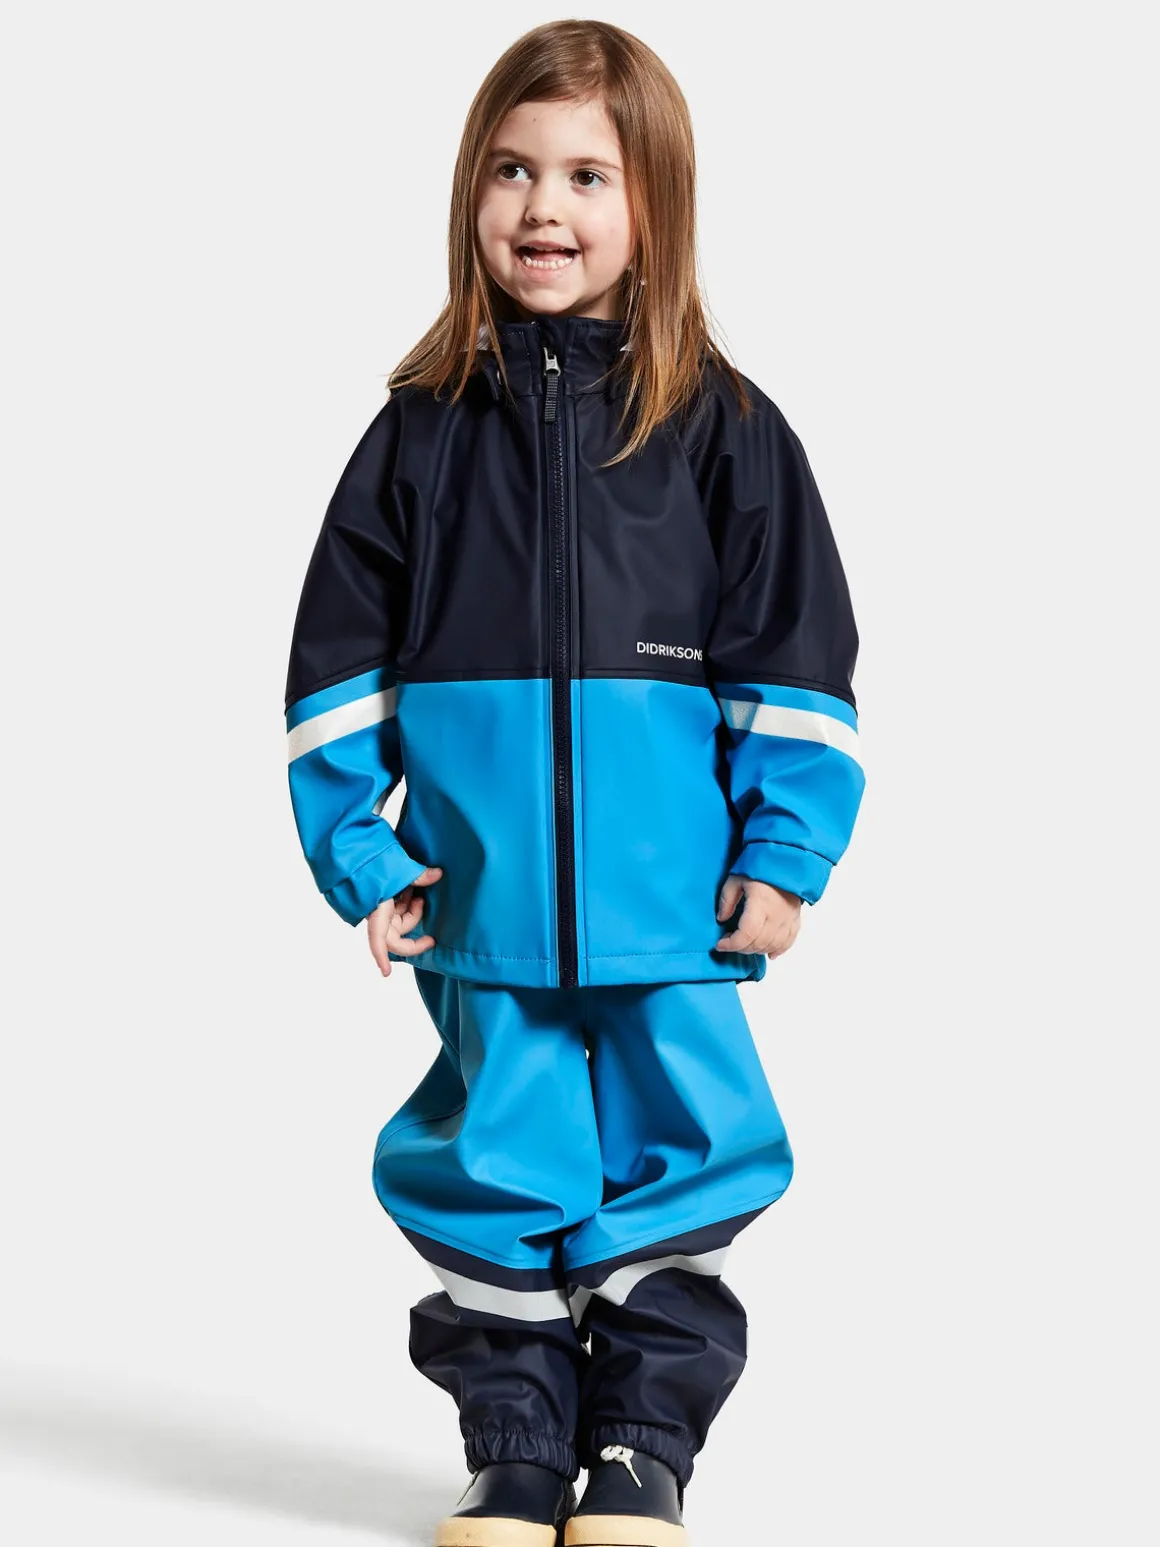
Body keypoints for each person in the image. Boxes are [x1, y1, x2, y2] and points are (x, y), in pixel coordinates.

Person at [283, 18, 866, 1547]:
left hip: (676, 912)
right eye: (512, 170)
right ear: (468, 194)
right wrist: (364, 854)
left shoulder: (726, 431)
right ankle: (518, 1445)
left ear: (654, 204)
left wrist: (784, 853)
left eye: (587, 176)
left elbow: (798, 663)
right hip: (481, 912)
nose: (544, 206)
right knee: (492, 1165)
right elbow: (336, 674)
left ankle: (640, 1448)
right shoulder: (417, 438)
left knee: (687, 1167)